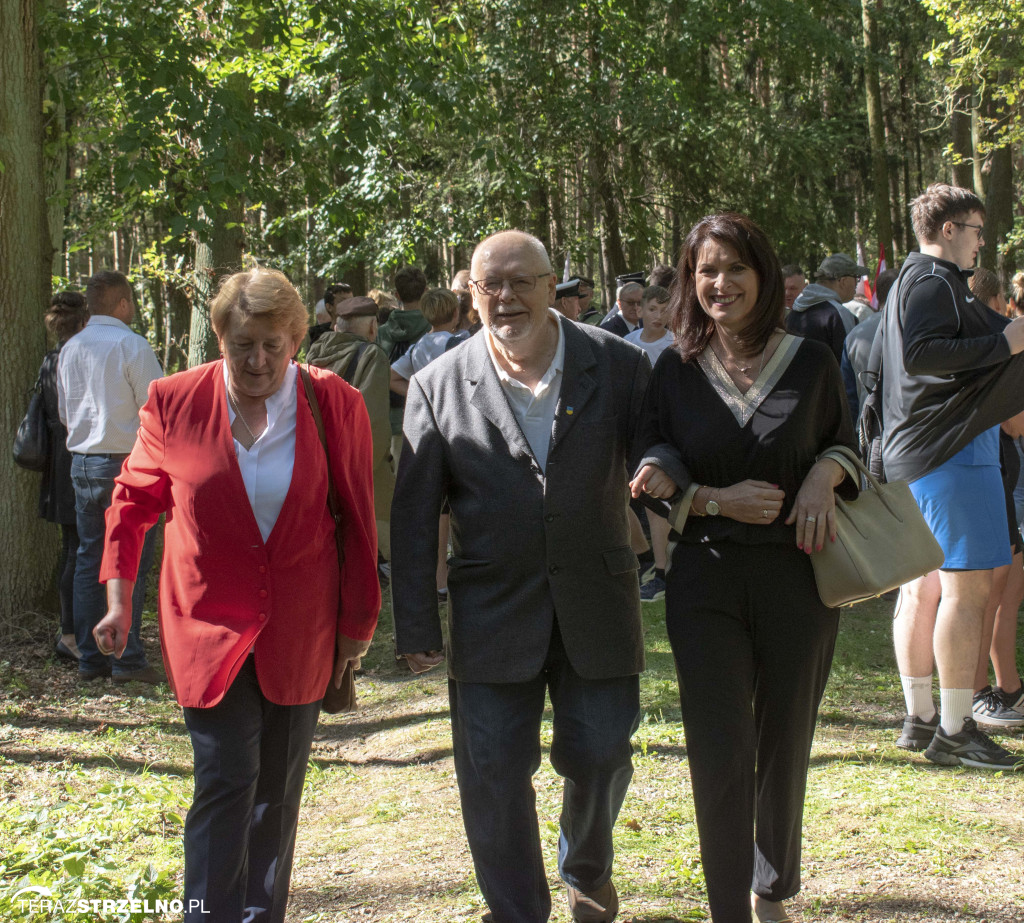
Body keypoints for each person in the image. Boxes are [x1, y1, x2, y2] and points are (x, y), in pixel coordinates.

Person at [93, 268, 380, 923]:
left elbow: (358, 518)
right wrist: (116, 597)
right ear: (218, 335)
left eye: (273, 346)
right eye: (243, 343)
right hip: (204, 628)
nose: (258, 360)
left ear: (297, 340)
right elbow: (133, 502)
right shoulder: (174, 402)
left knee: (277, 795)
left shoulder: (333, 402)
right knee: (223, 784)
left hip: (302, 630)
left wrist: (357, 628)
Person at [391, 230, 650, 923]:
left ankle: (587, 870)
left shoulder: (618, 364)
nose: (505, 297)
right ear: (470, 295)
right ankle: (515, 909)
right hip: (491, 611)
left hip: (596, 601)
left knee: (601, 752)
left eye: (521, 281)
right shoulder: (436, 384)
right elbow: (414, 514)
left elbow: (662, 446)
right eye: (489, 285)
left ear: (551, 282)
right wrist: (415, 620)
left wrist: (667, 477)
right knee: (494, 774)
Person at [632, 212, 856, 923]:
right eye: (706, 271)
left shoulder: (813, 360)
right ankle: (729, 904)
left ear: (763, 274)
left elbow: (850, 444)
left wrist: (826, 471)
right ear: (689, 283)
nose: (720, 283)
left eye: (733, 269)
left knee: (786, 735)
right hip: (705, 577)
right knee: (721, 742)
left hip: (800, 575)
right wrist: (713, 499)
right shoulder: (671, 368)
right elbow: (652, 464)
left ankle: (773, 887)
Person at [880, 183, 1024, 769]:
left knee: (923, 587)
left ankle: (922, 720)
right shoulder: (935, 280)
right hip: (953, 451)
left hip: (922, 452)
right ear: (948, 230)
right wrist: (1004, 342)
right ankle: (956, 729)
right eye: (976, 232)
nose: (980, 245)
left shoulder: (910, 282)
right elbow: (924, 353)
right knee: (967, 590)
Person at [57, 270, 163, 685]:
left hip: (81, 461)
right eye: (131, 301)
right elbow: (157, 409)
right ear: (122, 304)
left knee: (88, 559)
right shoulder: (130, 344)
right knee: (128, 558)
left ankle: (91, 658)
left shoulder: (72, 347)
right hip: (124, 462)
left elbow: (66, 412)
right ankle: (127, 659)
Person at [967, 268, 1024, 728]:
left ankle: (1006, 686)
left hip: (998, 474)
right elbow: (1014, 422)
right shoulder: (992, 343)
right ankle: (980, 692)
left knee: (1004, 584)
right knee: (990, 589)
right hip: (991, 471)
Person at [307, 295, 395, 565]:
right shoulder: (372, 355)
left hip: (314, 462)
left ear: (337, 327)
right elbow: (372, 423)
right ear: (372, 327)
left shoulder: (312, 354)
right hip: (358, 468)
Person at [36, 291, 90, 662]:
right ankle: (71, 634)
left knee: (73, 548)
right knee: (77, 550)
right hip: (73, 457)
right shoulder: (74, 357)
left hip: (61, 460)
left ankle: (73, 631)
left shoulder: (51, 358)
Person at [785, 254, 862, 361]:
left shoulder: (793, 313)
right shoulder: (839, 315)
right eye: (856, 278)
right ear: (843, 281)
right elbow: (850, 364)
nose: (857, 284)